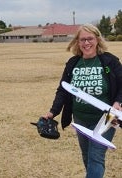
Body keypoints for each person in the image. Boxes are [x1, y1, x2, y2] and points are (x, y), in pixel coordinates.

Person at [43, 24, 122, 178]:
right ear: (77, 42)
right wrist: (52, 112)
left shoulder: (109, 61)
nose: (86, 43)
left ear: (97, 39)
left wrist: (118, 102)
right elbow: (63, 91)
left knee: (95, 157)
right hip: (80, 119)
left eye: (90, 39)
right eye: (82, 40)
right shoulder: (73, 63)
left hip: (105, 118)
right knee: (87, 157)